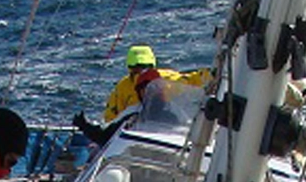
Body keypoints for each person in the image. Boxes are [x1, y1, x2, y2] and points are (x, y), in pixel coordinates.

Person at [72, 44, 211, 145]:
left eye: (155, 86)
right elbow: (109, 127)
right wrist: (86, 127)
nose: (152, 91)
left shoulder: (170, 86)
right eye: (136, 71)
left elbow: (195, 79)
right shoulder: (127, 100)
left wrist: (214, 75)